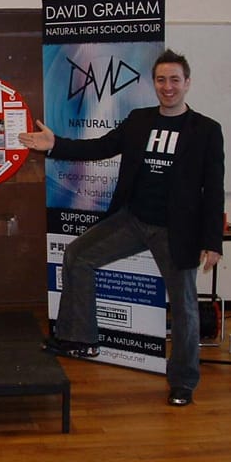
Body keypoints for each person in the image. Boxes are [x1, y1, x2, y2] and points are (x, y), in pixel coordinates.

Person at [18, 49, 224, 407]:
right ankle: (79, 338)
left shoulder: (206, 130)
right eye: (161, 80)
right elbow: (101, 147)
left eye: (175, 80)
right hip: (134, 220)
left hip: (177, 231)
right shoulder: (139, 120)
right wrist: (55, 145)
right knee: (78, 255)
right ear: (154, 83)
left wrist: (212, 240)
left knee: (185, 308)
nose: (168, 87)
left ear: (187, 83)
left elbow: (213, 188)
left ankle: (183, 382)